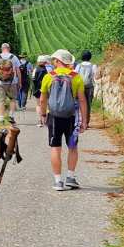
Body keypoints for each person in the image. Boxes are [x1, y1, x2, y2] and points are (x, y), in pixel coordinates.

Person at [39, 49, 89, 191]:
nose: (53, 62)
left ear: (57, 61)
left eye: (54, 60)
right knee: (72, 146)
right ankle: (70, 177)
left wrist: (43, 115)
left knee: (55, 147)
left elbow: (43, 99)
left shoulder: (49, 76)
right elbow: (82, 100)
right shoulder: (76, 77)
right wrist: (84, 121)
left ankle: (58, 181)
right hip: (71, 117)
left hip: (54, 117)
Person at [0, 43, 21, 125]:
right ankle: (11, 115)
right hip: (12, 82)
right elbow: (18, 71)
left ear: (1, 49)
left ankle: (1, 118)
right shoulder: (14, 57)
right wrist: (19, 82)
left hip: (0, 82)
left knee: (1, 100)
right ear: (9, 48)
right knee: (12, 99)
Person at [76, 50, 98, 115]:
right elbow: (96, 76)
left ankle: (81, 121)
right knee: (88, 104)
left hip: (80, 88)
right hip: (90, 87)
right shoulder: (93, 66)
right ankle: (86, 122)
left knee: (80, 104)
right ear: (90, 57)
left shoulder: (78, 66)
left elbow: (75, 75)